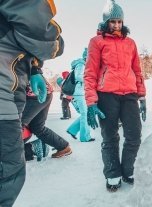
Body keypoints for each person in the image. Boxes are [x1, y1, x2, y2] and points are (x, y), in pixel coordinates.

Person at [0, 1, 64, 206]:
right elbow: (44, 38)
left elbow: (24, 39)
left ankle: (53, 147)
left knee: (29, 128)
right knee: (28, 131)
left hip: (30, 93)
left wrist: (35, 69)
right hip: (12, 93)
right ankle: (50, 147)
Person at [84, 0, 146, 192]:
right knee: (110, 137)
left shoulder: (130, 43)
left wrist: (142, 97)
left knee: (134, 135)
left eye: (120, 21)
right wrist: (91, 101)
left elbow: (137, 70)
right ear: (106, 22)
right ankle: (113, 174)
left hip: (129, 94)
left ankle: (128, 170)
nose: (117, 25)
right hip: (106, 95)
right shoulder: (97, 42)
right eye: (113, 21)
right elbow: (90, 73)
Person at [22, 63, 72, 161]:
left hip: (33, 94)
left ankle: (22, 152)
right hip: (44, 91)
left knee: (13, 127)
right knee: (37, 127)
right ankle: (63, 146)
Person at [67, 48, 94, 142]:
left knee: (85, 114)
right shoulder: (81, 64)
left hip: (82, 92)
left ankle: (72, 130)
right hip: (79, 92)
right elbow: (79, 76)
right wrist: (90, 79)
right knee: (84, 114)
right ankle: (85, 137)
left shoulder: (83, 64)